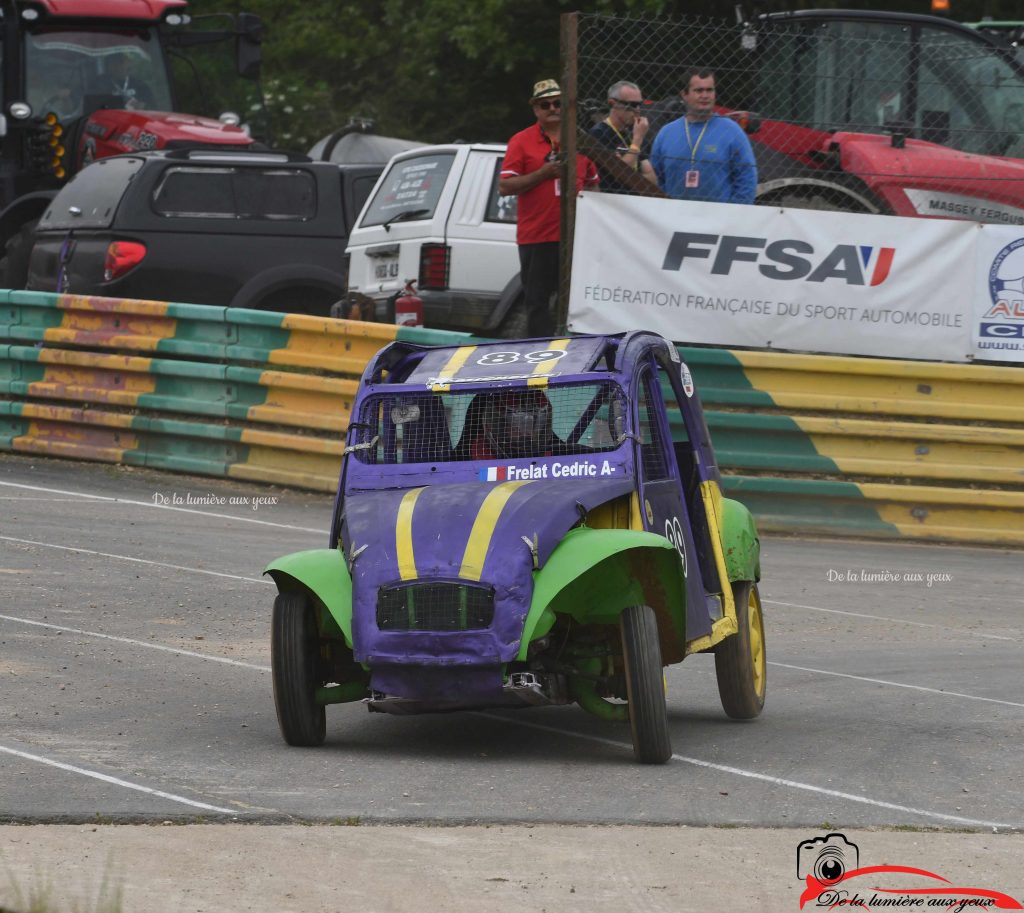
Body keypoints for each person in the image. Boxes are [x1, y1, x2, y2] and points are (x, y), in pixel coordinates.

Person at [500, 79, 599, 336]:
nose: (553, 108)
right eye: (546, 104)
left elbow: (593, 186)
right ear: (536, 109)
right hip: (537, 236)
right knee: (537, 301)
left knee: (577, 301)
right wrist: (543, 174)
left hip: (575, 238)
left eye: (558, 103)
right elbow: (505, 186)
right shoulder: (521, 141)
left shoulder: (582, 141)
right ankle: (539, 356)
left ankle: (574, 353)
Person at [649, 67, 757, 204]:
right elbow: (655, 179)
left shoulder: (732, 132)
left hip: (719, 219)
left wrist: (733, 215)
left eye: (709, 90)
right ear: (684, 94)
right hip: (674, 218)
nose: (705, 96)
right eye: (699, 90)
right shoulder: (666, 133)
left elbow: (747, 180)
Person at [589, 80, 657, 193]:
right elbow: (622, 174)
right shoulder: (599, 133)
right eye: (632, 105)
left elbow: (652, 178)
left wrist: (633, 149)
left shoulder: (634, 133)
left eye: (640, 104)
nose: (637, 110)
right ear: (612, 103)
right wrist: (637, 141)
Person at [464, 389, 560, 460]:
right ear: (499, 425)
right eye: (518, 425)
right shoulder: (481, 450)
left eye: (535, 424)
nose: (526, 432)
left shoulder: (555, 452)